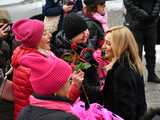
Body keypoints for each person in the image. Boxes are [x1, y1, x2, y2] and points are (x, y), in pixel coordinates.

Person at [17, 48, 84, 120]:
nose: (70, 84)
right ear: (55, 89)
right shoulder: (68, 118)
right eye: (69, 81)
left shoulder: (25, 112)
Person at [54, 13, 104, 108]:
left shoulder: (81, 43)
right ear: (70, 38)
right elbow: (83, 84)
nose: (86, 35)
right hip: (85, 100)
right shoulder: (67, 55)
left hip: (95, 86)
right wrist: (100, 90)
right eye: (81, 33)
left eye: (86, 30)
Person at [102, 26, 147, 120]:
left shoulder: (121, 72)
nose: (103, 47)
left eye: (108, 43)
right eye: (104, 42)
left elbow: (126, 112)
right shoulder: (133, 64)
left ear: (120, 46)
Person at [123, 0, 160, 83]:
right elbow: (128, 3)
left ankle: (152, 74)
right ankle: (138, 78)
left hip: (151, 23)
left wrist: (155, 12)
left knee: (151, 51)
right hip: (135, 23)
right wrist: (142, 14)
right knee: (136, 53)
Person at [0, 9, 13, 120]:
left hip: (5, 84)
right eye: (0, 26)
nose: (4, 29)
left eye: (6, 25)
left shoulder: (10, 41)